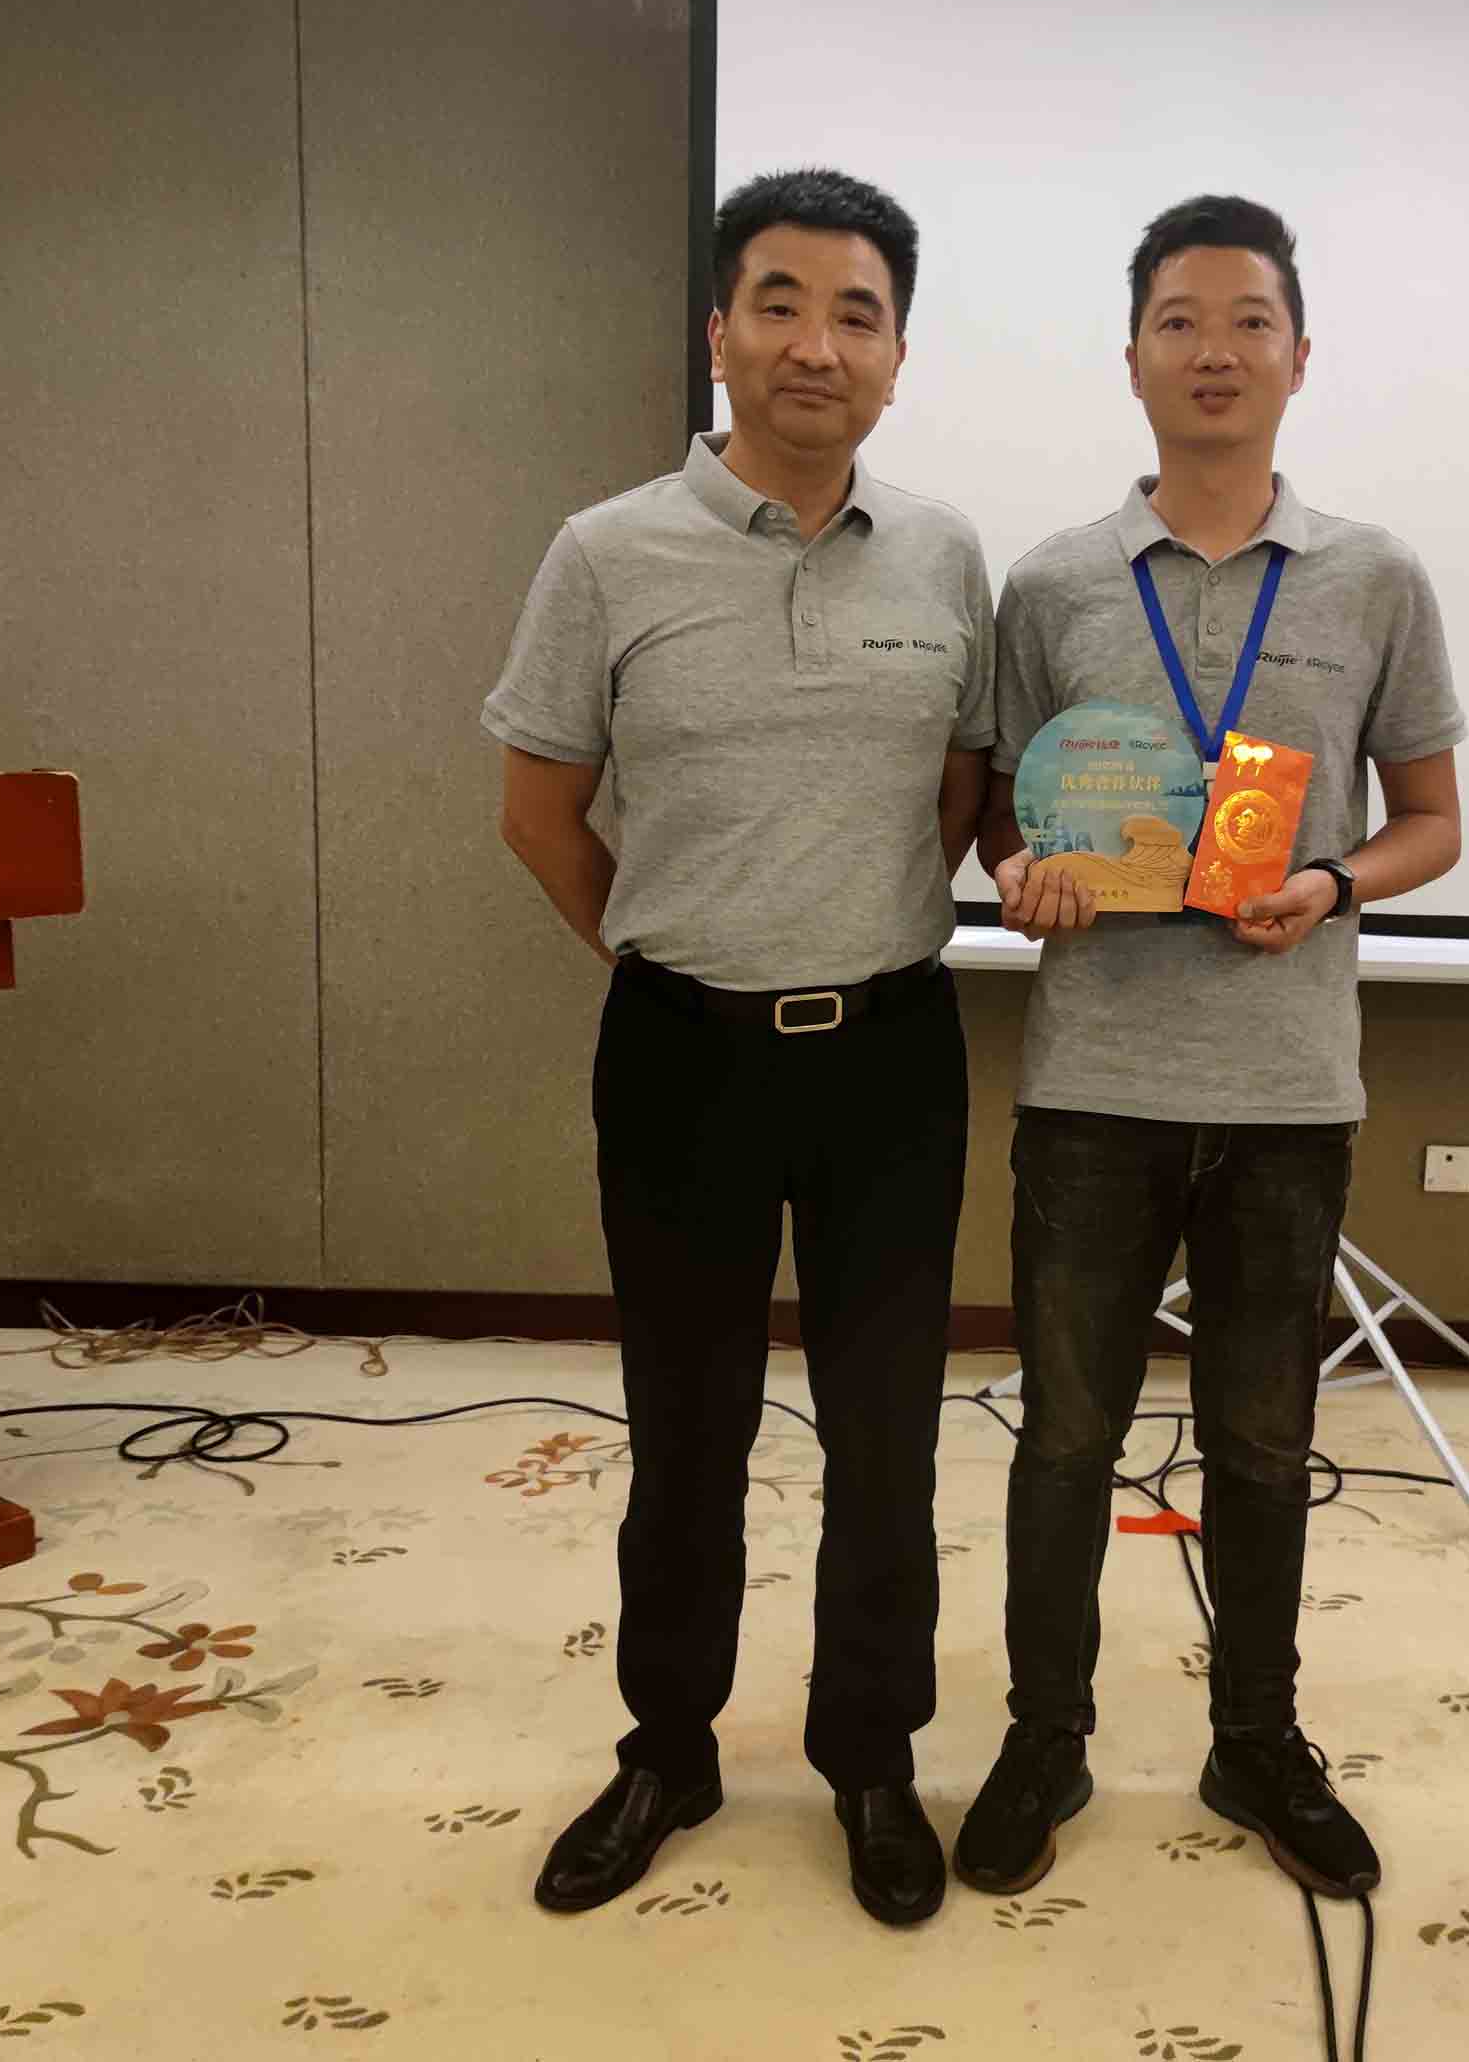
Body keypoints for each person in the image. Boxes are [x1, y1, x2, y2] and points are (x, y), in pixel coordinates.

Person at [483, 167, 994, 1927]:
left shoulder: (945, 556)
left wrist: (842, 926)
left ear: (898, 355)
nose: (816, 345)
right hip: (681, 1055)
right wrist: (673, 946)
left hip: (891, 1056)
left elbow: (956, 796)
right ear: (720, 331)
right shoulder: (605, 551)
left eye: (858, 313)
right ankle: (670, 1746)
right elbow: (539, 810)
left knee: (887, 1438)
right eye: (780, 303)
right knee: (683, 1429)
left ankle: (871, 1753)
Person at [953, 195, 1465, 1902]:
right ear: (1134, 359)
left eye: (1250, 321)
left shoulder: (1374, 576)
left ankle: (1257, 1738)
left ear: (1299, 356)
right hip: (1093, 1087)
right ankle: (1045, 1736)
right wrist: (1022, 874)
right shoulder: (1053, 582)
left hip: (1287, 1094)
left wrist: (1334, 880)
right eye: (1181, 321)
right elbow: (1002, 816)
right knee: (1065, 1441)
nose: (1216, 352)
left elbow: (1434, 819)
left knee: (1259, 1443)